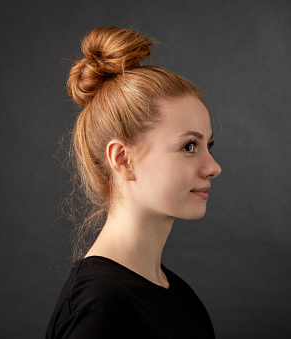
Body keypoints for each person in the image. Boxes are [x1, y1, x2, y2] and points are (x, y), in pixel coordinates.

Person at [46, 27, 222, 338]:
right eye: (189, 146)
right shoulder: (99, 310)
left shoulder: (177, 295)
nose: (213, 167)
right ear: (123, 160)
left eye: (210, 145)